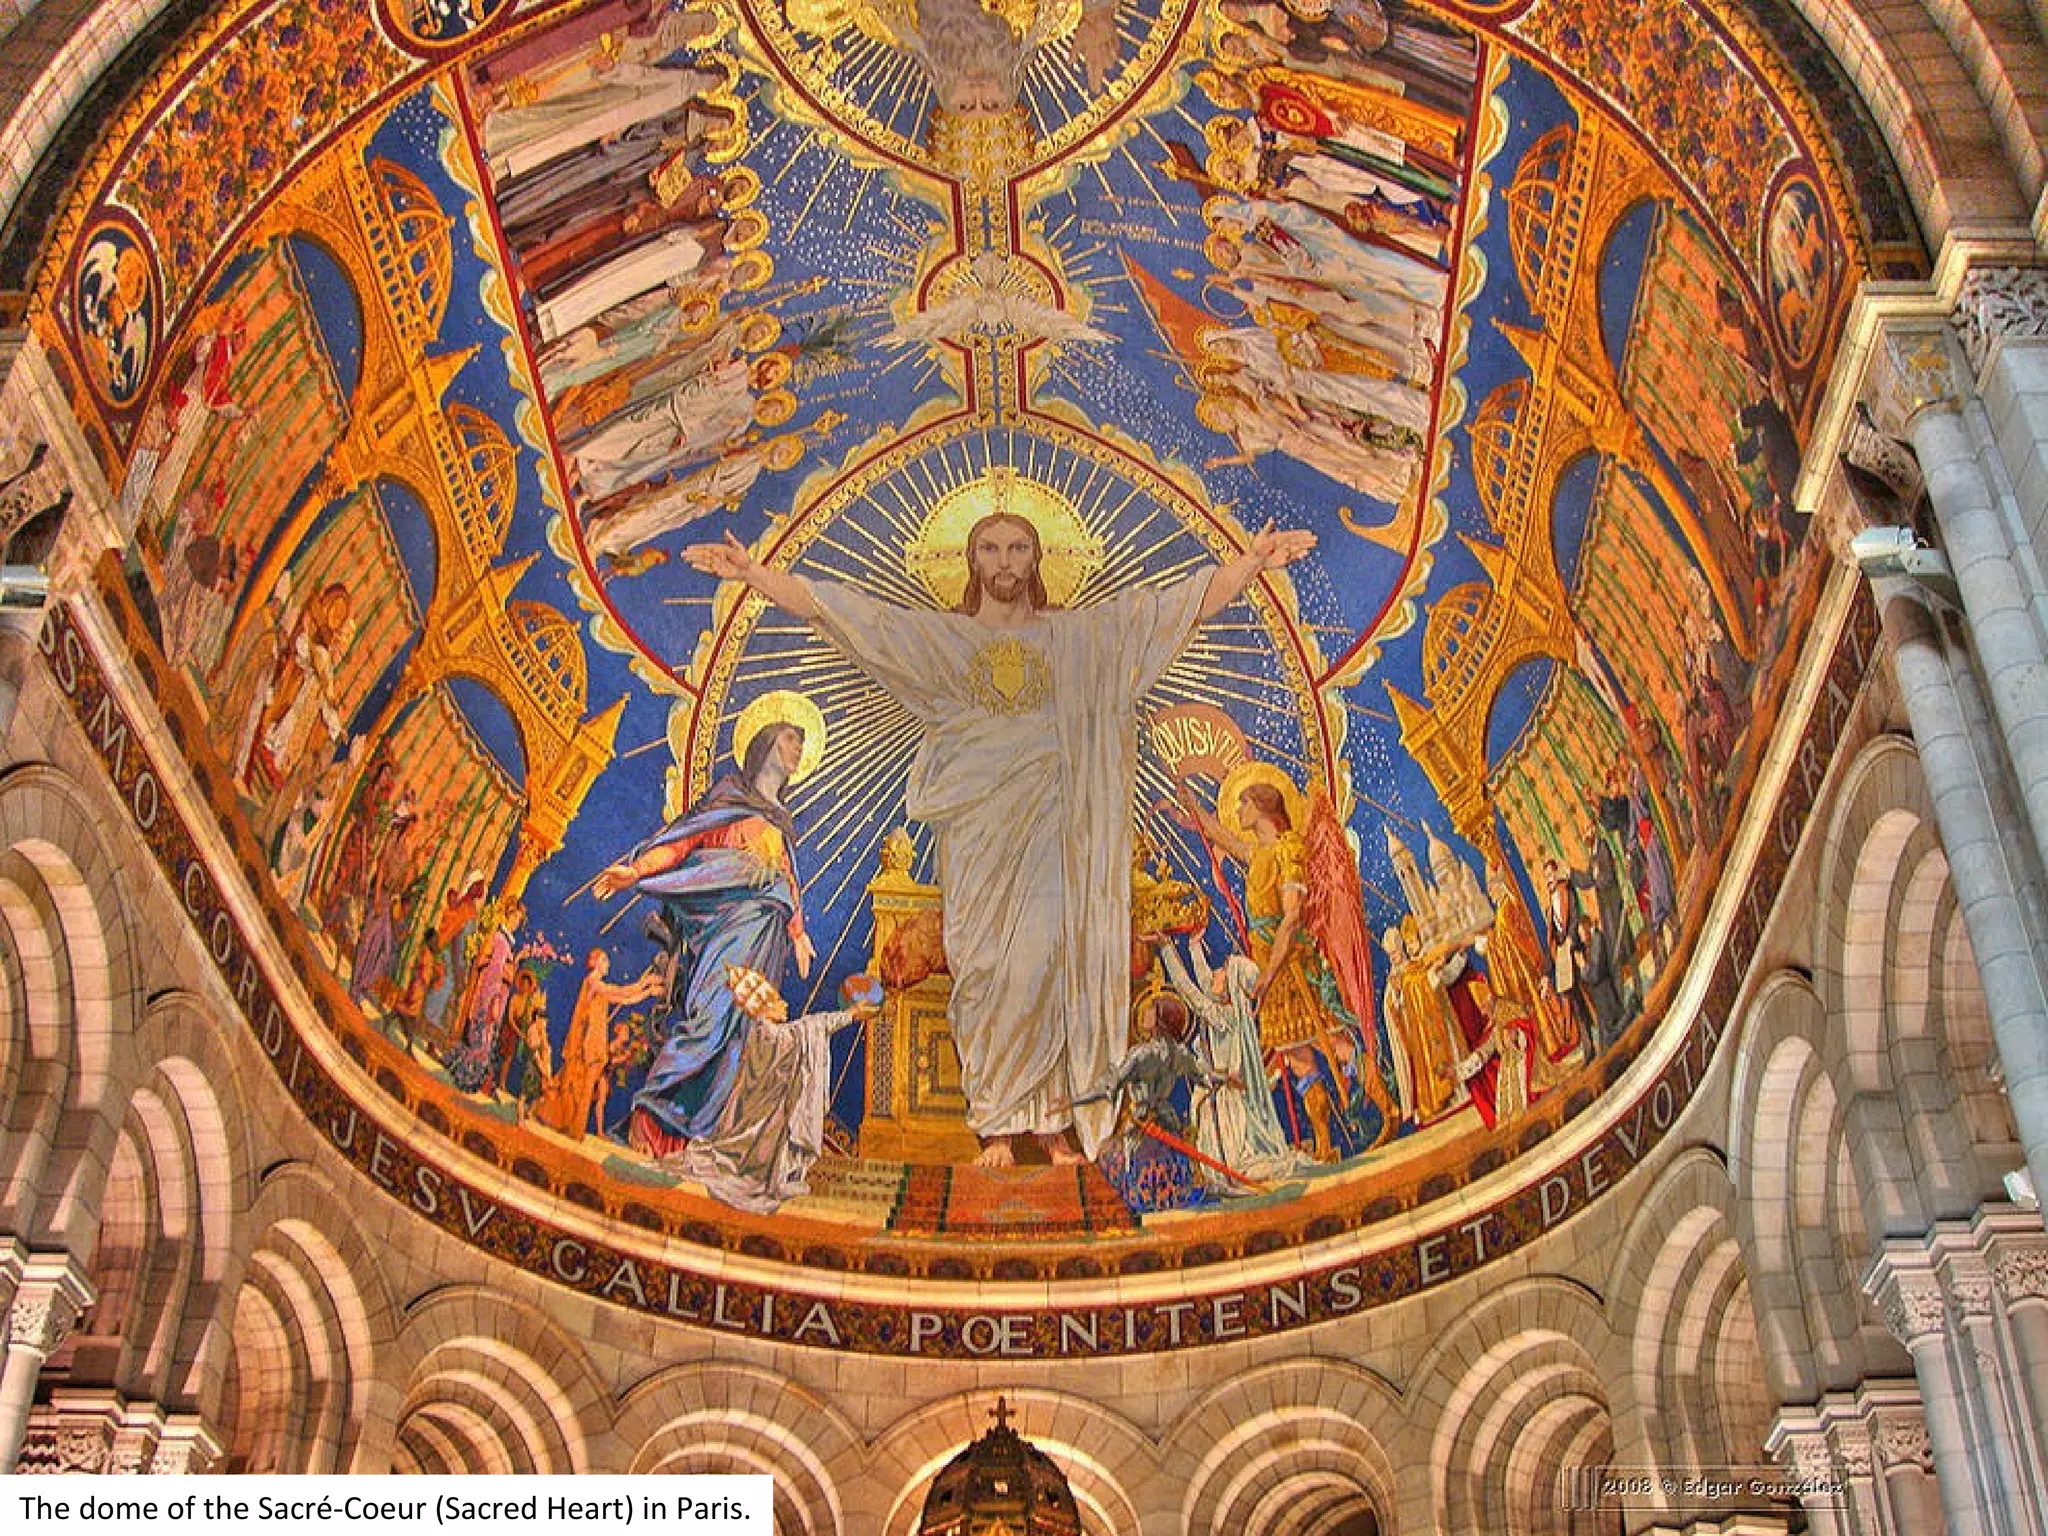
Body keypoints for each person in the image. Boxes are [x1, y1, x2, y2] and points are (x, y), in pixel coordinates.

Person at [685, 513, 1315, 1165]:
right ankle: (996, 1126)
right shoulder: (945, 642)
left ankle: (1047, 1124)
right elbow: (855, 618)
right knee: (985, 968)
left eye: (1018, 548)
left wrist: (1250, 564)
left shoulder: (1078, 639)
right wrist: (759, 575)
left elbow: (1168, 612)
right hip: (980, 839)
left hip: (1053, 835)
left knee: (1048, 962)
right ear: (972, 561)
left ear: (1036, 558)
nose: (1005, 561)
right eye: (990, 549)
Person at [592, 713, 815, 1159]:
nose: (798, 750)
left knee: (743, 1039)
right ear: (767, 743)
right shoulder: (728, 799)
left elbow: (786, 880)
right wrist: (636, 870)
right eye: (792, 740)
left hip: (766, 938)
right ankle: (654, 1118)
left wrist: (799, 933)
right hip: (726, 928)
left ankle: (702, 1139)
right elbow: (681, 846)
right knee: (710, 1022)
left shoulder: (782, 821)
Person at [681, 966, 879, 1213]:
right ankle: (767, 1177)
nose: (784, 1003)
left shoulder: (768, 1032)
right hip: (762, 1125)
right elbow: (810, 1028)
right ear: (764, 1004)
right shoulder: (770, 1034)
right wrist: (850, 1014)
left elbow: (805, 1029)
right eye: (777, 999)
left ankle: (778, 1174)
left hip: (769, 1118)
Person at [535, 948, 664, 1138]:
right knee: (577, 1087)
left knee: (586, 1089)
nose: (608, 965)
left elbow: (625, 998)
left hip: (595, 1043)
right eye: (605, 961)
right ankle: (570, 1126)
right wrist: (646, 983)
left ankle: (575, 1129)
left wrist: (648, 992)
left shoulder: (600, 987)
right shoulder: (592, 982)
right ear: (596, 962)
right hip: (584, 1044)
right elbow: (621, 991)